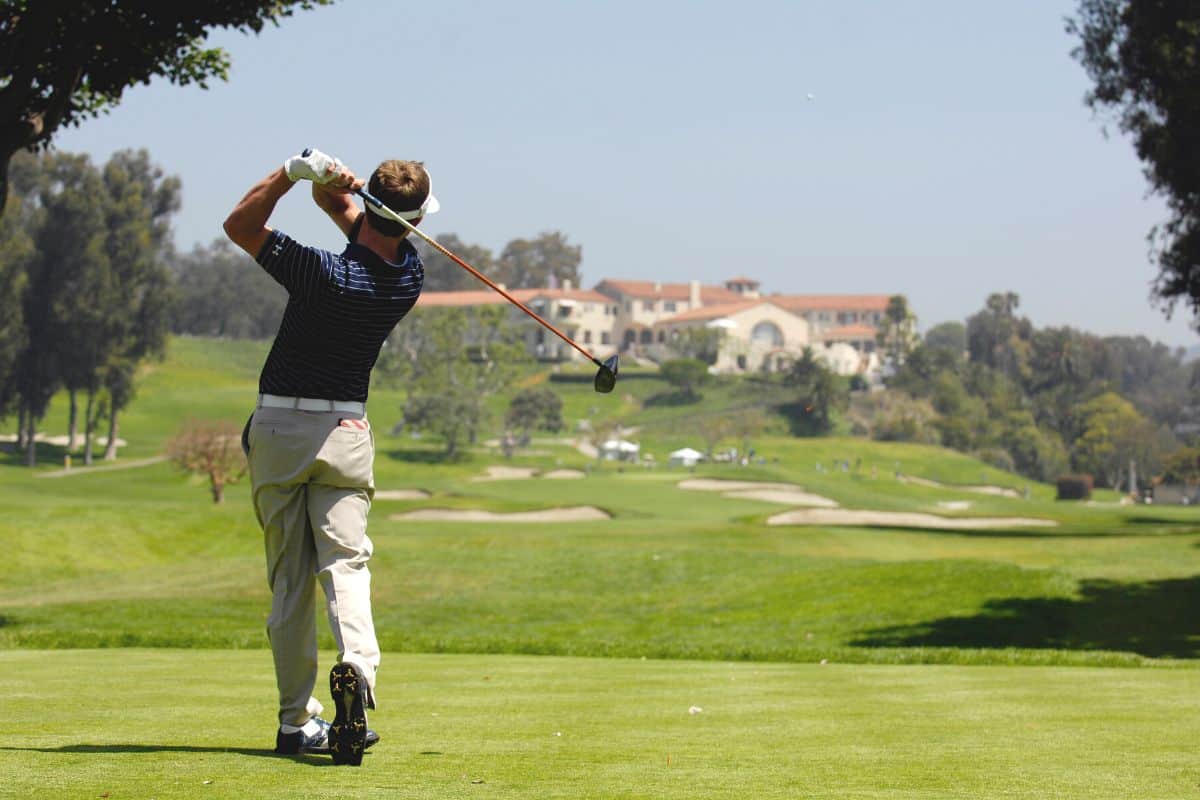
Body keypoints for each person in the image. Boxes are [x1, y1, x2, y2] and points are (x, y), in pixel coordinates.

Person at [223, 148, 436, 766]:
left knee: (290, 582)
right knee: (346, 563)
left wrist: (295, 173)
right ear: (415, 221)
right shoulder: (408, 278)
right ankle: (357, 673)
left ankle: (296, 723)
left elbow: (240, 226)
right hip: (345, 431)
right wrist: (337, 191)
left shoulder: (318, 271)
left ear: (370, 206)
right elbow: (360, 224)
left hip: (281, 427)